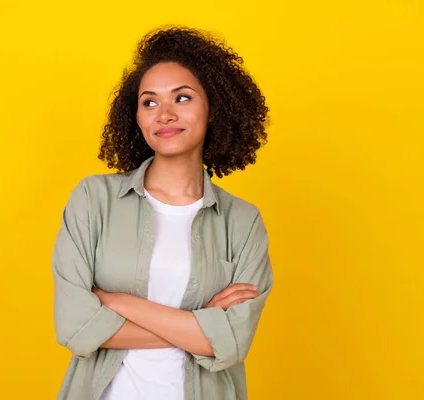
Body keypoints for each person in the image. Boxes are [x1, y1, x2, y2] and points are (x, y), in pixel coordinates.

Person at [51, 25, 274, 400]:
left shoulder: (242, 222)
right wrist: (202, 326)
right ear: (136, 117)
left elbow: (233, 341)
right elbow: (74, 327)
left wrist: (115, 302)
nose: (164, 114)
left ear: (213, 108)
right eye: (150, 102)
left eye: (182, 98)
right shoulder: (94, 199)